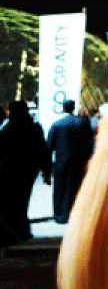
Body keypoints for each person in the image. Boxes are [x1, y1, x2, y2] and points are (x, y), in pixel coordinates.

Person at [0, 101, 52, 257]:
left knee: (8, 206)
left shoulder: (8, 129)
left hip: (9, 173)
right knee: (22, 203)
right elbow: (43, 150)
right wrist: (46, 171)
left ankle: (10, 238)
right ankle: (20, 233)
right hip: (28, 172)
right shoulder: (34, 128)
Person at [46, 100, 94, 223]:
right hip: (79, 162)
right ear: (73, 108)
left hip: (61, 163)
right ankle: (76, 215)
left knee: (60, 190)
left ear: (63, 109)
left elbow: (49, 147)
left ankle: (61, 216)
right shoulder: (83, 123)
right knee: (76, 188)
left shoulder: (56, 125)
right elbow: (90, 143)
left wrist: (46, 170)